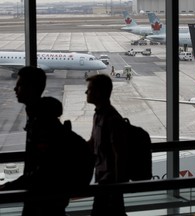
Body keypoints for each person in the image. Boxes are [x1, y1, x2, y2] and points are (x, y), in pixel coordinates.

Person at [0, 66, 70, 216]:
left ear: (31, 89)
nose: (14, 89)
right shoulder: (40, 118)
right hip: (48, 199)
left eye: (19, 85)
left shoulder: (42, 123)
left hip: (43, 201)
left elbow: (43, 170)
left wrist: (9, 186)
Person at [85, 74, 128, 216]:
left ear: (98, 92)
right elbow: (92, 143)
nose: (86, 92)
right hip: (103, 180)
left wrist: (116, 184)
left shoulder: (112, 119)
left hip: (110, 183)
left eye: (89, 89)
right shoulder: (98, 115)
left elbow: (119, 154)